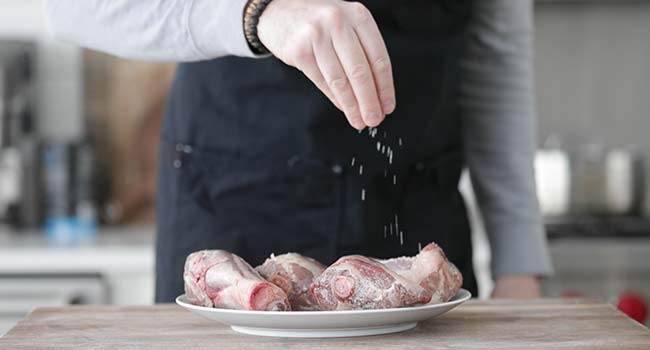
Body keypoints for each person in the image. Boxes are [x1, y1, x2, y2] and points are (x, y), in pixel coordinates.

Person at [45, 0, 552, 302]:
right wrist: (251, 13)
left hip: (415, 213)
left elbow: (496, 48)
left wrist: (519, 264)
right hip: (236, 212)